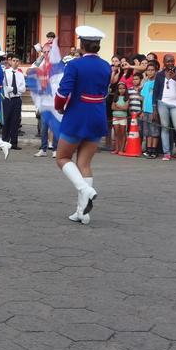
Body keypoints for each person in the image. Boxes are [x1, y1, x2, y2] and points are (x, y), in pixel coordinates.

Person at [55, 26, 111, 225]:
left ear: (81, 44)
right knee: (85, 164)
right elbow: (104, 91)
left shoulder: (75, 65)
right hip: (98, 114)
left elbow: (63, 91)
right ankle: (82, 212)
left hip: (78, 114)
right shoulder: (106, 66)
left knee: (62, 157)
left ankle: (85, 190)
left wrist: (59, 107)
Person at [155, 53, 176, 161]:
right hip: (162, 102)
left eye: (172, 61)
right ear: (164, 62)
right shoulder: (160, 74)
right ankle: (167, 153)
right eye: (168, 61)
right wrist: (154, 107)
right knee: (165, 128)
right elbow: (156, 91)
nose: (170, 63)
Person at [0, 53, 26, 150]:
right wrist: (7, 89)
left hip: (17, 99)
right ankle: (4, 143)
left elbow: (23, 88)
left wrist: (15, 89)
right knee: (6, 121)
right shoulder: (5, 73)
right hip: (8, 100)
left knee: (15, 122)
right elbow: (2, 85)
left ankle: (14, 143)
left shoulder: (20, 74)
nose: (15, 63)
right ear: (10, 61)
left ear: (19, 62)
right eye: (13, 61)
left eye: (17, 61)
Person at [111, 81, 130, 152]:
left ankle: (121, 150)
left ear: (126, 89)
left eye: (123, 88)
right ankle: (117, 149)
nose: (121, 90)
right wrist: (122, 107)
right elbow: (112, 107)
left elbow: (125, 108)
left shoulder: (127, 98)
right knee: (116, 134)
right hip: (115, 117)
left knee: (122, 134)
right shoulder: (115, 97)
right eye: (120, 88)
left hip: (123, 118)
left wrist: (118, 106)